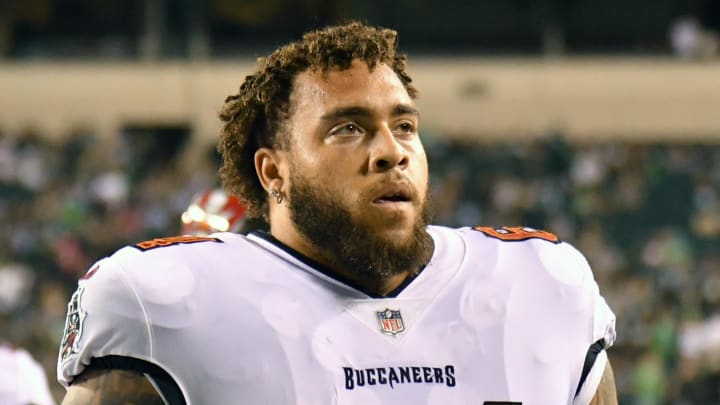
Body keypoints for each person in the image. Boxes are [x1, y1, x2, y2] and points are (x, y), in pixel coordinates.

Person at [56, 21, 617, 404]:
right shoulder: (156, 301)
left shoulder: (545, 283)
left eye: (404, 126)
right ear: (273, 172)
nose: (390, 151)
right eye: (347, 128)